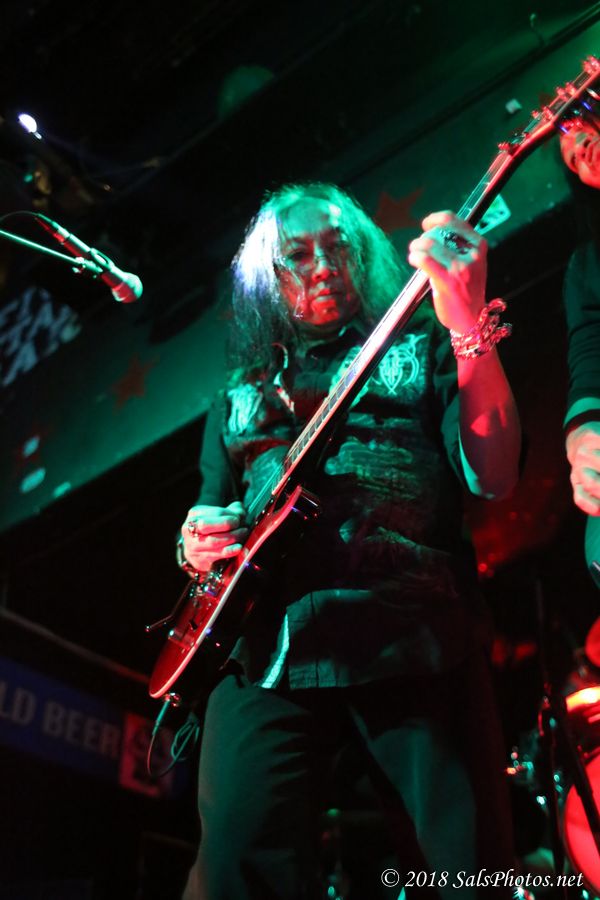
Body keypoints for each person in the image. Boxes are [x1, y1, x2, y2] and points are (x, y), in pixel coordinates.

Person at [178, 182, 521, 899]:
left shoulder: (421, 342)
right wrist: (196, 541)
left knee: (468, 867)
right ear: (269, 279)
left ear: (363, 254)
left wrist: (466, 325)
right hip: (269, 648)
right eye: (299, 255)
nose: (323, 266)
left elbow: (494, 476)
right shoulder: (237, 393)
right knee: (234, 862)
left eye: (338, 247)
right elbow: (208, 508)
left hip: (413, 628)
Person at [559, 115, 600, 579]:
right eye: (573, 157)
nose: (583, 149)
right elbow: (589, 356)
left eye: (587, 129)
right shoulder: (588, 264)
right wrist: (583, 437)